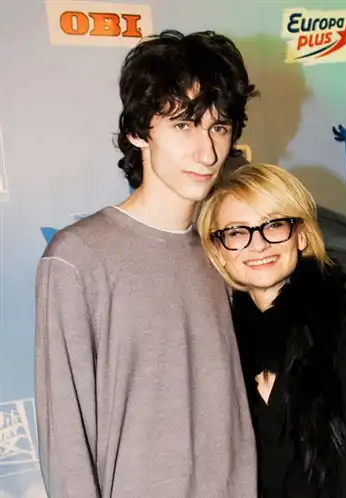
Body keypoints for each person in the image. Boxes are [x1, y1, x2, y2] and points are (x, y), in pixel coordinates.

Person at [34, 30, 258, 498]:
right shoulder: (77, 259)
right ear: (138, 132)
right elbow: (66, 444)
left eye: (219, 127)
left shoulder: (231, 250)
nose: (207, 152)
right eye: (184, 126)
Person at [197, 162, 346, 498]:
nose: (258, 244)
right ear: (218, 250)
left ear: (301, 235)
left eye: (274, 225)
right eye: (236, 232)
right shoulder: (212, 344)